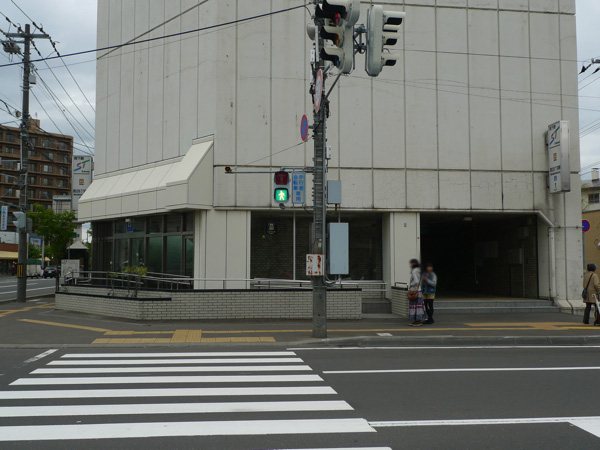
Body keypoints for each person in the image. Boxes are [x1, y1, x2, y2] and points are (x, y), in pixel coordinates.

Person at [408, 259, 424, 326]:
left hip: (414, 291)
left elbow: (416, 281)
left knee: (414, 307)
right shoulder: (419, 270)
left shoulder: (414, 271)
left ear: (413, 264)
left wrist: (411, 284)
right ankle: (418, 321)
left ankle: (416, 321)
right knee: (419, 307)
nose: (410, 265)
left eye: (411, 263)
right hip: (419, 291)